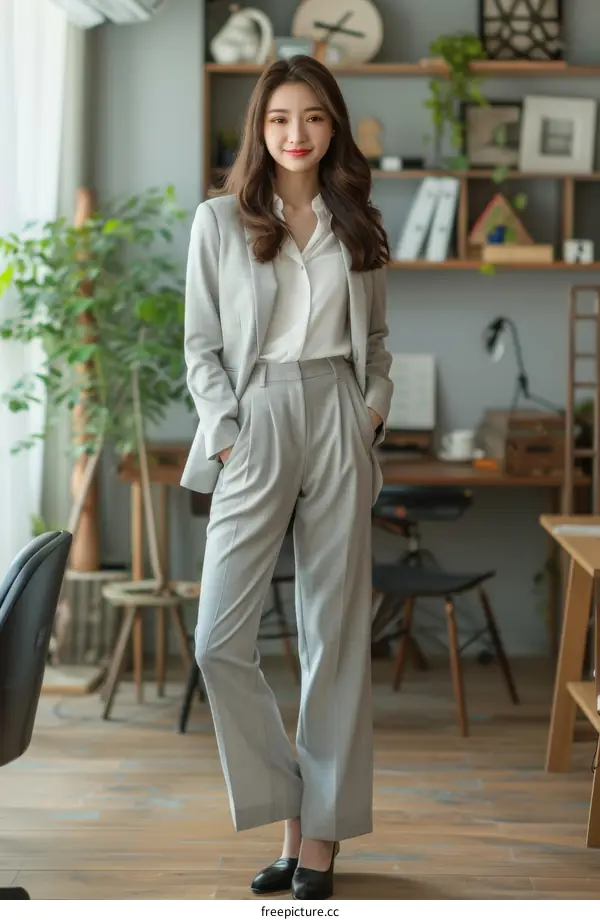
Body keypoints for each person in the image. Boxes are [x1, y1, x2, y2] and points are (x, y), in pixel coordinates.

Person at [181, 54, 393, 900]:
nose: (294, 134)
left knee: (332, 637)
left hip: (338, 414)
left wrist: (368, 414)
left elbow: (378, 349)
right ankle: (291, 800)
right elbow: (200, 347)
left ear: (332, 124)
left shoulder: (360, 225)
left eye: (310, 117)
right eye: (277, 119)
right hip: (255, 419)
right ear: (258, 130)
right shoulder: (219, 221)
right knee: (218, 640)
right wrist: (230, 439)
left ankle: (316, 840)